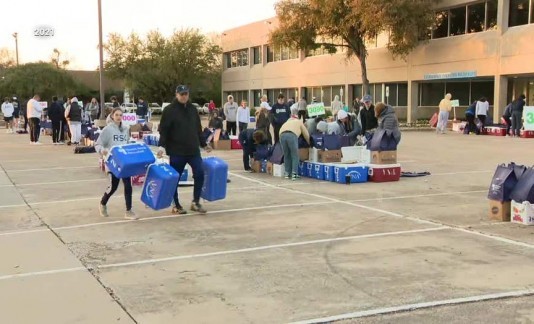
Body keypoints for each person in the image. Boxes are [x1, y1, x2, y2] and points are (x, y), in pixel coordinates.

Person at [157, 85, 212, 215]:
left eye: (186, 94)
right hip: (176, 151)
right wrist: (161, 146)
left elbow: (198, 129)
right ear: (176, 95)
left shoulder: (193, 109)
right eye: (181, 94)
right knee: (175, 178)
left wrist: (204, 144)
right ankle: (176, 204)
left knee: (199, 173)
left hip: (193, 150)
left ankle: (196, 202)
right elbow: (164, 130)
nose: (184, 96)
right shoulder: (169, 110)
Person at [96, 107, 138, 220]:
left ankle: (128, 211)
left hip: (125, 162)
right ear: (112, 116)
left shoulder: (125, 129)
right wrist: (102, 151)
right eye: (117, 115)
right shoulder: (107, 129)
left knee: (128, 185)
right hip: (113, 162)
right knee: (113, 187)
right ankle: (103, 203)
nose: (119, 117)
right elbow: (98, 144)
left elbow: (127, 142)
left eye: (121, 115)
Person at [279, 105, 310, 180]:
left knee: (287, 155)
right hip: (292, 135)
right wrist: (309, 143)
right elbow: (306, 134)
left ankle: (287, 173)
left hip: (282, 135)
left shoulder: (287, 122)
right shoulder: (299, 122)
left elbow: (280, 131)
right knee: (295, 155)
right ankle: (294, 174)